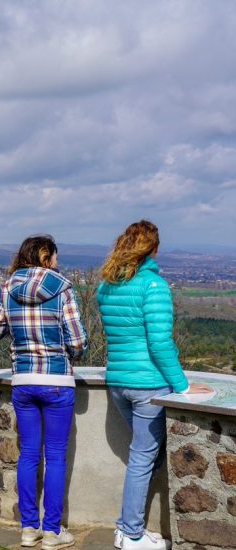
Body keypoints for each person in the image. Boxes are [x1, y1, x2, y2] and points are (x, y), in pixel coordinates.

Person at [97, 220, 211, 550]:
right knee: (144, 456)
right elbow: (160, 342)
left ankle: (129, 528)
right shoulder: (154, 286)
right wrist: (183, 385)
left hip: (117, 381)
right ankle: (130, 532)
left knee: (148, 452)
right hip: (148, 385)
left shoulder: (106, 286)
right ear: (154, 249)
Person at [0, 235, 87, 550]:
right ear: (45, 257)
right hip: (56, 381)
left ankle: (29, 529)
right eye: (55, 257)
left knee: (28, 455)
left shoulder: (8, 288)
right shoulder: (63, 289)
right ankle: (52, 532)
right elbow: (78, 343)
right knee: (54, 457)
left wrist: (14, 329)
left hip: (23, 381)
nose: (57, 262)